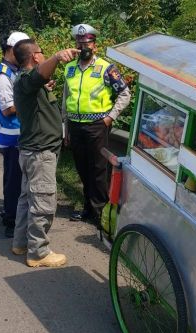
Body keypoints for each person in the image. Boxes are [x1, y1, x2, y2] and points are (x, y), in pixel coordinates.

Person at [11, 39, 79, 267]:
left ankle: (21, 243)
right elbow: (37, 76)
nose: (44, 54)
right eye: (42, 52)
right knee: (43, 202)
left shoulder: (29, 83)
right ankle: (38, 252)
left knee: (27, 199)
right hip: (40, 153)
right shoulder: (27, 79)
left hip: (33, 151)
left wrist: (44, 88)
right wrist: (58, 57)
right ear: (35, 57)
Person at [62, 24, 131, 223]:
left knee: (99, 170)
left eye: (87, 43)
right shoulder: (70, 68)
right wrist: (65, 129)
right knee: (82, 169)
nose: (83, 46)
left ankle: (100, 213)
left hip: (97, 126)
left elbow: (125, 94)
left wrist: (110, 117)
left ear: (95, 45)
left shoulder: (106, 68)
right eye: (80, 42)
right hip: (75, 126)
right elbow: (66, 99)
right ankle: (88, 209)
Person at [0, 31, 30, 238]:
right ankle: (11, 219)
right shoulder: (4, 74)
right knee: (14, 181)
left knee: (17, 178)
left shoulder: (14, 70)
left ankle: (15, 214)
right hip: (11, 136)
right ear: (11, 50)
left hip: (17, 134)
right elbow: (7, 109)